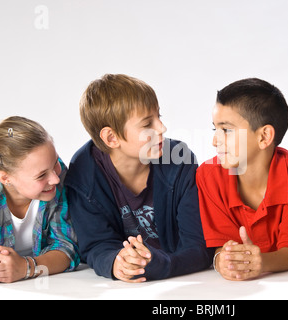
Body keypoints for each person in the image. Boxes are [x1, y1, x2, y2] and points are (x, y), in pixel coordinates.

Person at [65, 74, 213, 282]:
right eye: (147, 124)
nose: (162, 128)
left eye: (158, 116)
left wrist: (163, 265)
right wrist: (116, 262)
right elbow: (96, 245)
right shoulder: (84, 176)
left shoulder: (180, 160)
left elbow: (198, 245)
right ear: (111, 138)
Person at [197, 78, 288, 281]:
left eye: (226, 130)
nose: (215, 140)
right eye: (214, 129)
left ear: (264, 137)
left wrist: (262, 262)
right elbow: (220, 245)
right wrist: (221, 262)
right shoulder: (209, 176)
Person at [0, 116, 80, 284]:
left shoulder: (58, 180)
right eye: (41, 175)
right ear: (5, 178)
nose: (55, 179)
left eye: (55, 163)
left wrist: (26, 267)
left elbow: (66, 247)